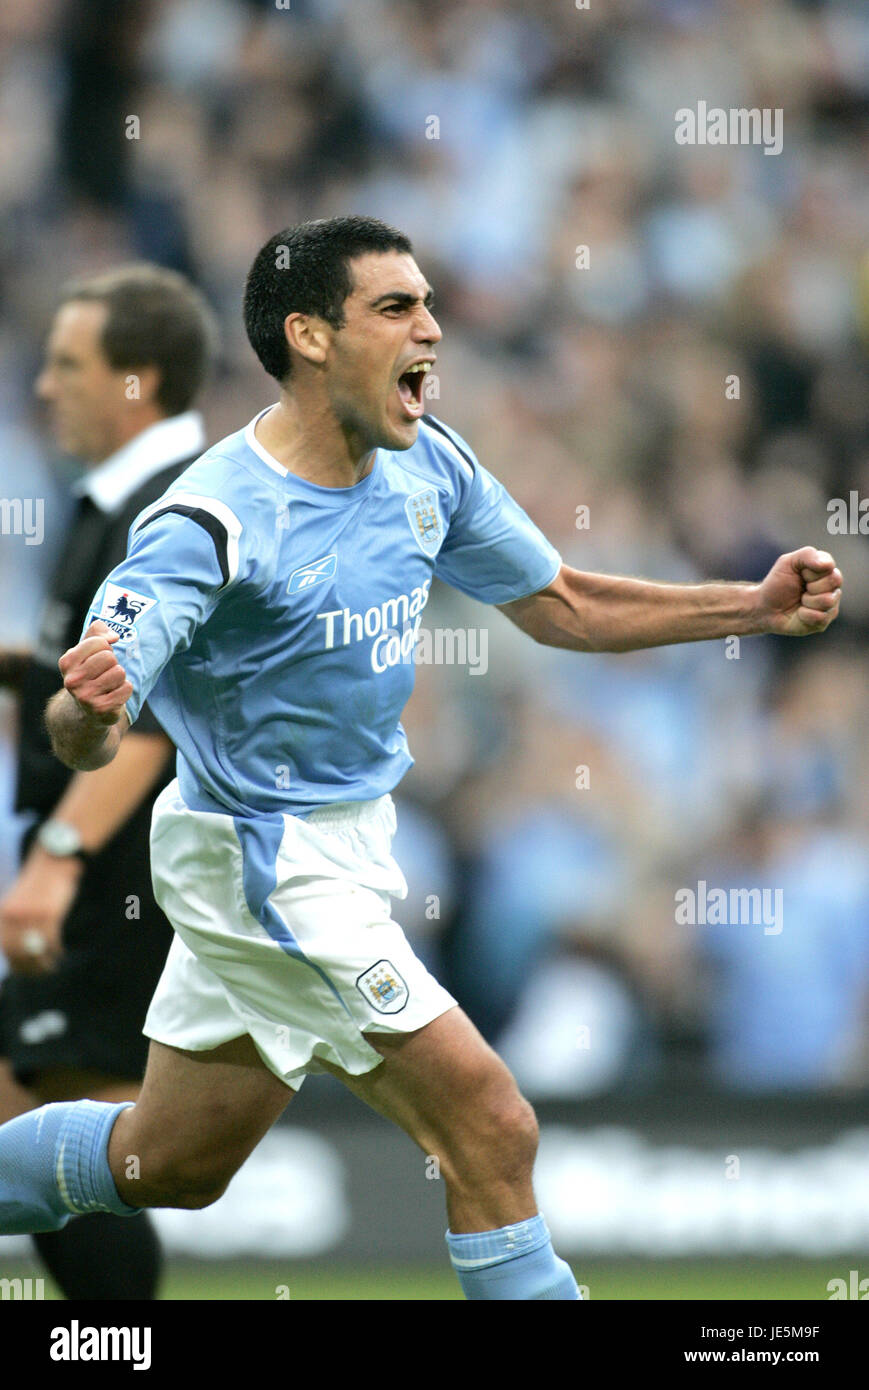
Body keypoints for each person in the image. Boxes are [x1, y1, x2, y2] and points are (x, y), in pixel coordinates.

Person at [0, 217, 842, 1301]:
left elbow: (561, 601)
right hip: (263, 860)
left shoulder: (426, 463)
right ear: (309, 335)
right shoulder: (207, 522)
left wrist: (751, 606)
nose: (431, 329)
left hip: (346, 848)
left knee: (170, 1163)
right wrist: (85, 711)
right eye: (396, 307)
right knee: (490, 1121)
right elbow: (92, 725)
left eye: (429, 303)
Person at [0, 264, 216, 1298]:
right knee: (39, 1124)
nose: (46, 386)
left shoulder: (159, 511)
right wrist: (26, 670)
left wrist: (55, 860)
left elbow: (144, 726)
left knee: (78, 1132)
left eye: (68, 365)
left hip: (122, 872)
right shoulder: (121, 500)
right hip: (115, 870)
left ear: (139, 381)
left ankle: (119, 1345)